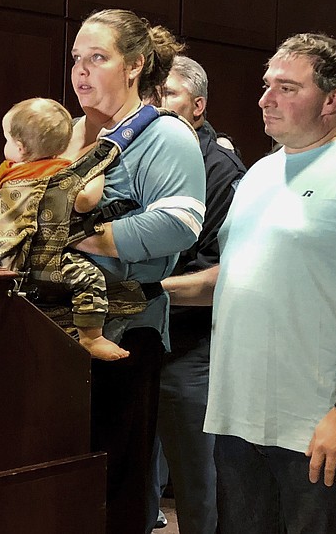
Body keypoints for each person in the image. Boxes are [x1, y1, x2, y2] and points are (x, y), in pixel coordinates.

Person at [164, 33, 336, 533]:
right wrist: (156, 292)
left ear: (334, 98)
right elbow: (240, 274)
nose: (265, 99)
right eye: (267, 85)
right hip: (236, 417)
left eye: (287, 88)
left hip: (319, 423)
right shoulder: (261, 174)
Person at [63, 9, 206, 533]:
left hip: (125, 327)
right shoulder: (70, 132)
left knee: (115, 481)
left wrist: (88, 236)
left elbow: (180, 222)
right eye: (77, 59)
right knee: (65, 477)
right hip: (56, 324)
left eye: (97, 58)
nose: (81, 71)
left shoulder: (164, 135)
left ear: (135, 66)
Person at [147, 56, 246, 534]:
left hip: (191, 344)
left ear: (198, 107)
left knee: (197, 481)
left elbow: (219, 279)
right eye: (151, 94)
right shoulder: (136, 153)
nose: (155, 104)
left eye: (167, 94)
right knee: (132, 472)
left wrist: (134, 289)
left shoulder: (222, 170)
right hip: (135, 333)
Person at [0, 97, 129, 361]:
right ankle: (92, 337)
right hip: (43, 263)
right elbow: (86, 201)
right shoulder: (60, 174)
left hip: (2, 264)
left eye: (6, 140)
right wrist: (96, 172)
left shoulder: (5, 174)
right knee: (89, 277)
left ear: (19, 147)